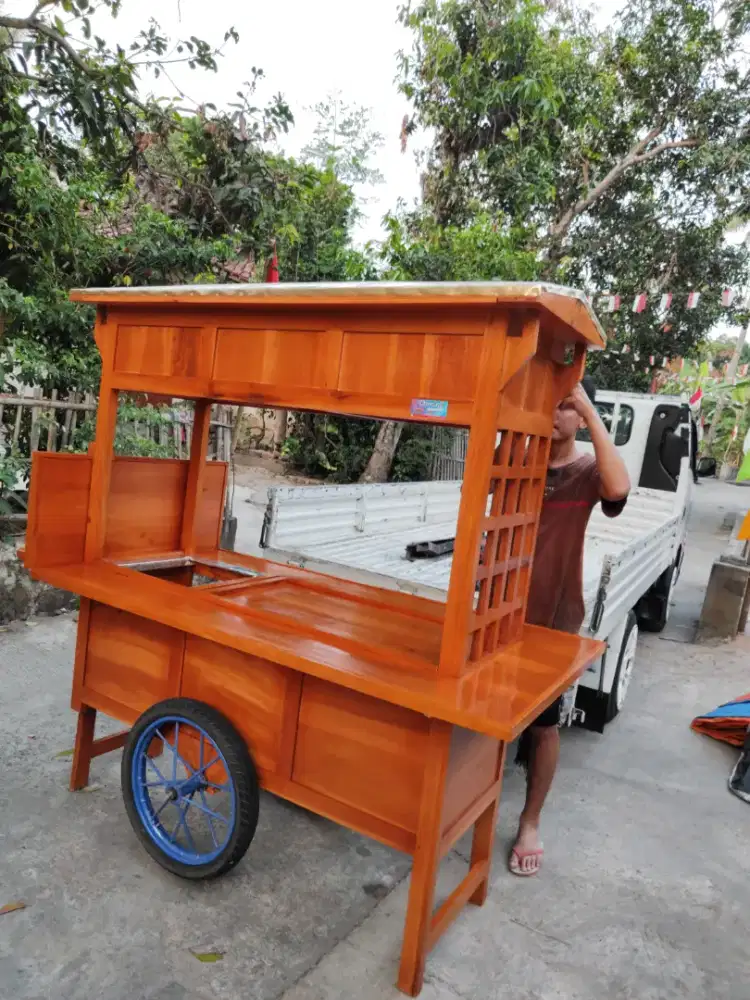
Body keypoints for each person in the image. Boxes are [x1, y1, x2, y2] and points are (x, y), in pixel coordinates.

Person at [509, 376, 631, 876]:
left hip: (554, 620)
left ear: (580, 417)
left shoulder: (585, 474)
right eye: (551, 406)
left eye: (566, 408)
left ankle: (530, 822)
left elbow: (619, 488)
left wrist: (588, 407)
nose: (555, 415)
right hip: (503, 611)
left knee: (543, 726)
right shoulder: (520, 462)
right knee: (488, 716)